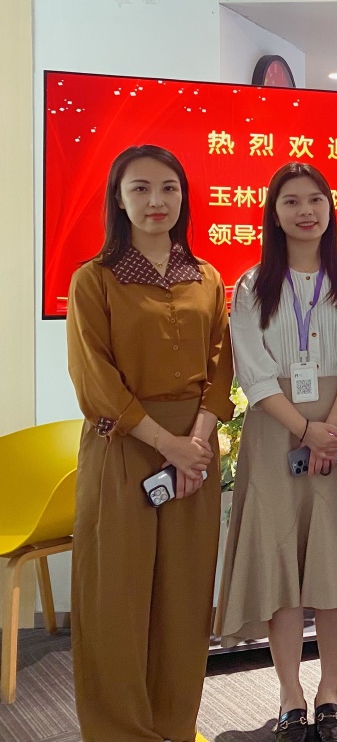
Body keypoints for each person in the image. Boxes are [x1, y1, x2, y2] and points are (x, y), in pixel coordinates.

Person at [216, 163, 337, 742]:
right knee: (281, 560)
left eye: (315, 199)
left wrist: (331, 427)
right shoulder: (251, 286)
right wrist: (305, 430)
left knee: (332, 557)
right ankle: (291, 692)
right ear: (273, 213)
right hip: (276, 431)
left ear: (330, 207)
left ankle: (331, 689)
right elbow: (253, 370)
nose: (305, 211)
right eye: (291, 201)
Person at [66, 144, 234, 742]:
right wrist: (169, 444)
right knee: (115, 596)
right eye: (140, 188)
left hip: (194, 451)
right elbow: (95, 379)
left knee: (185, 598)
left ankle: (174, 724)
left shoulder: (207, 277)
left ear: (183, 196)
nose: (156, 200)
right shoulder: (93, 279)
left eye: (168, 188)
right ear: (118, 199)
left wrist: (196, 442)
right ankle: (119, 731)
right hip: (123, 446)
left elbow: (221, 368)